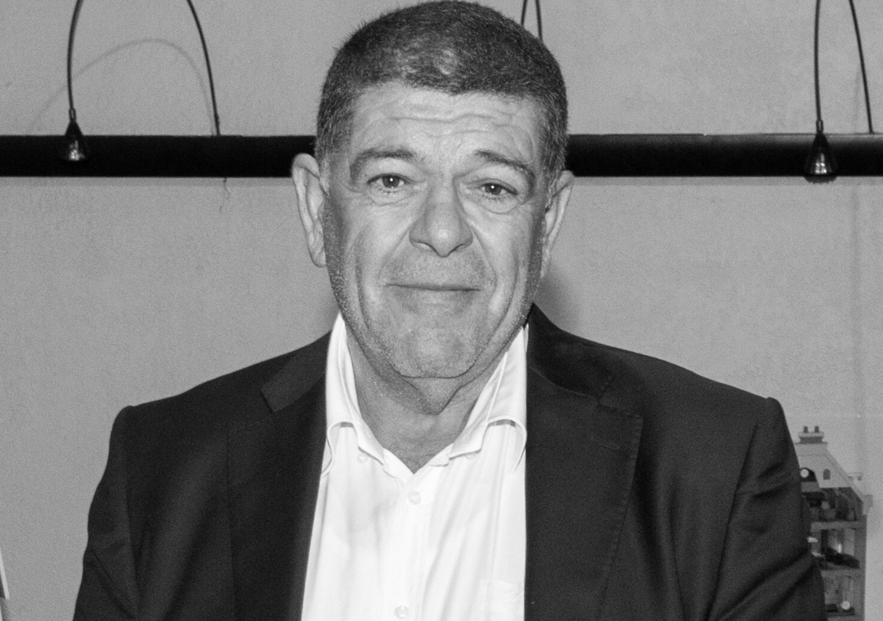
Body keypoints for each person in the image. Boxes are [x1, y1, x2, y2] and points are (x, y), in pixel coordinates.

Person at [73, 2, 825, 620]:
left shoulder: (713, 472)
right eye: (392, 180)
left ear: (548, 220)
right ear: (316, 208)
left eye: (492, 187)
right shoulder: (161, 474)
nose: (441, 231)